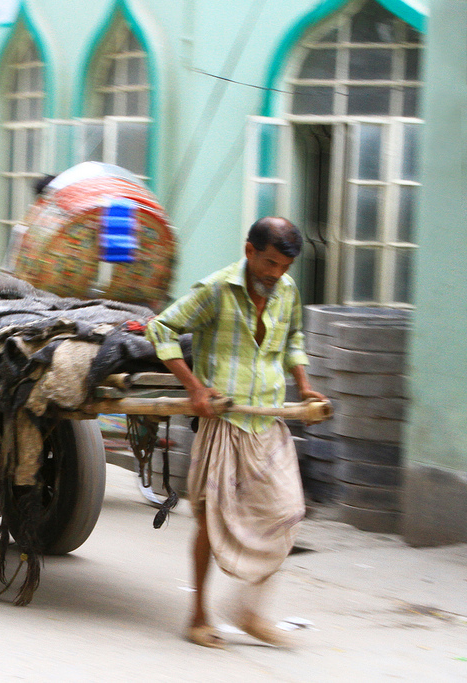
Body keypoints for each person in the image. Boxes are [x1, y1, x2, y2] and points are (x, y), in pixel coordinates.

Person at [145, 217, 326, 649]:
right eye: (268, 263)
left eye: (284, 266)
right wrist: (195, 388)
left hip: (267, 419)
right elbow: (161, 329)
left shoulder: (287, 292)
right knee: (211, 521)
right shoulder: (216, 289)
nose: (275, 274)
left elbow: (294, 338)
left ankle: (250, 611)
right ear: (249, 251)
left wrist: (303, 385)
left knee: (287, 511)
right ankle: (198, 614)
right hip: (223, 422)